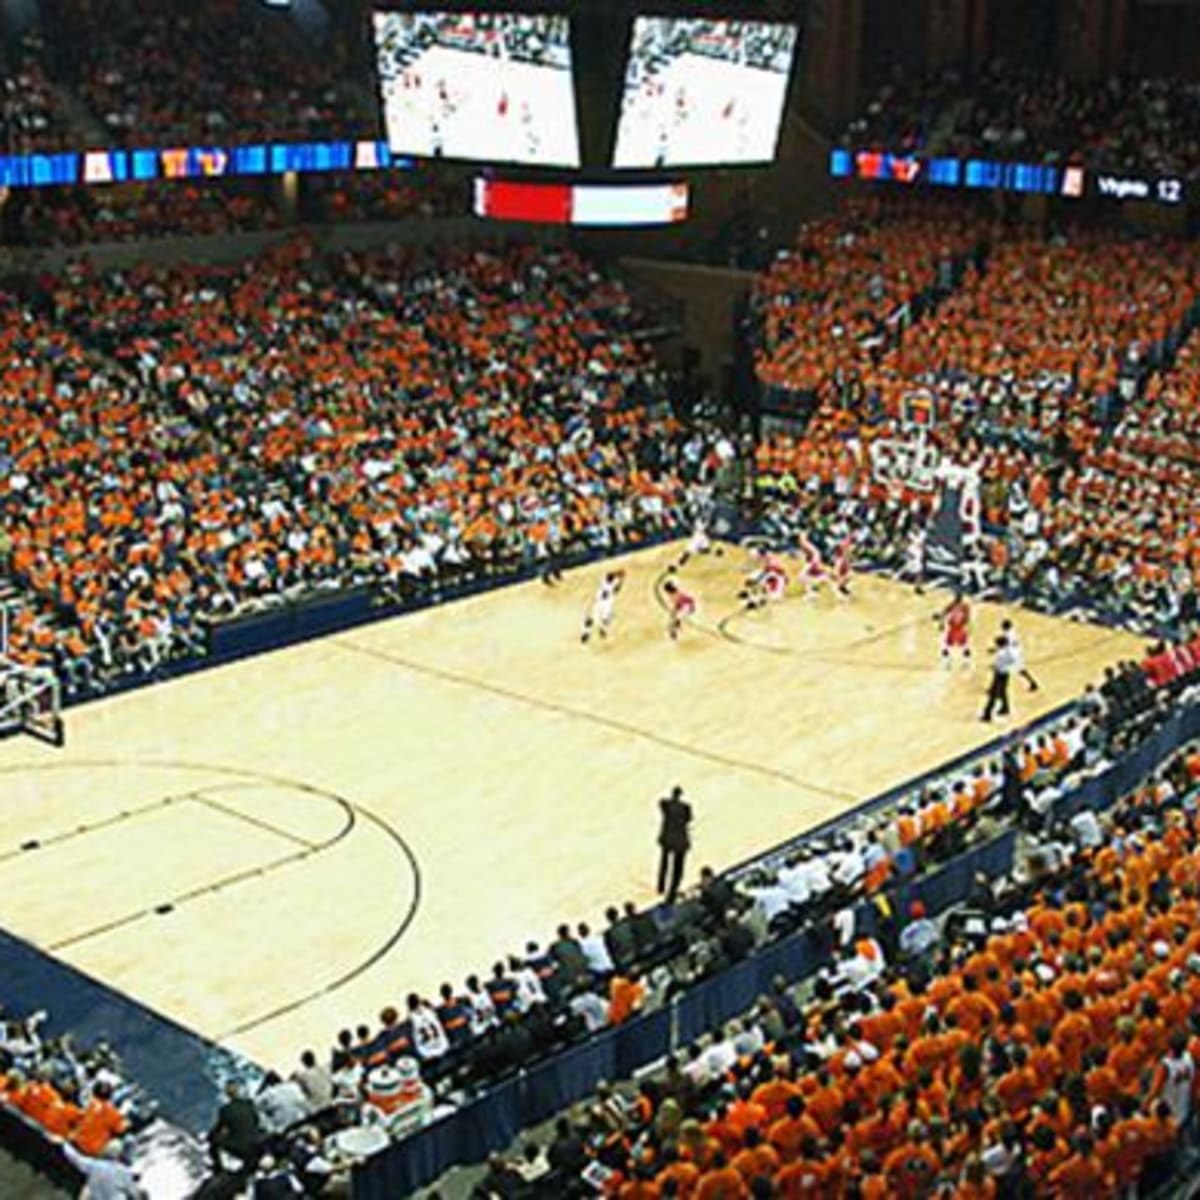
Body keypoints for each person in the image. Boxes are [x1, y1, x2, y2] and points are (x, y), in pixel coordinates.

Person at [60, 1138, 146, 1199]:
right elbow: (134, 1193)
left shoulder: (93, 1165)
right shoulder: (123, 1171)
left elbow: (75, 1158)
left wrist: (64, 1144)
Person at [657, 785, 693, 903]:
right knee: (677, 869)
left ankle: (661, 886)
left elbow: (661, 804)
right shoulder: (685, 807)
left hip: (667, 838)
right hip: (680, 840)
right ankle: (672, 892)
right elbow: (689, 819)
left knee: (664, 864)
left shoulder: (665, 804)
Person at [581, 569, 624, 643]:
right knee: (601, 619)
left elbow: (615, 586)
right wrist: (620, 578)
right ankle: (589, 633)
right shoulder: (607, 581)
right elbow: (616, 587)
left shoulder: (606, 581)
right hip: (604, 603)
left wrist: (620, 579)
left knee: (599, 619)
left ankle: (590, 632)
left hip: (601, 603)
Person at [982, 635, 1017, 722]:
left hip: (999, 674)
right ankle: (1005, 708)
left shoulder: (1000, 654)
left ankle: (987, 715)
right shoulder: (1009, 650)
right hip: (1006, 673)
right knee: (1003, 691)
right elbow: (1011, 659)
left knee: (993, 695)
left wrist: (993, 667)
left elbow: (997, 665)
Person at [1000, 618, 1039, 692]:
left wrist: (995, 649)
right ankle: (1033, 683)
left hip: (1014, 654)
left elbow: (1006, 643)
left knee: (1014, 670)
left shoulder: (1008, 634)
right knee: (1018, 670)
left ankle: (1033, 683)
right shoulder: (1011, 632)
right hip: (1016, 653)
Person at [939, 592, 972, 668]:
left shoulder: (955, 605)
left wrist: (941, 623)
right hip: (958, 628)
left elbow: (943, 613)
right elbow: (967, 618)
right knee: (964, 646)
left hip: (955, 628)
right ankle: (965, 662)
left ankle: (947, 663)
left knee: (946, 646)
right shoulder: (964, 606)